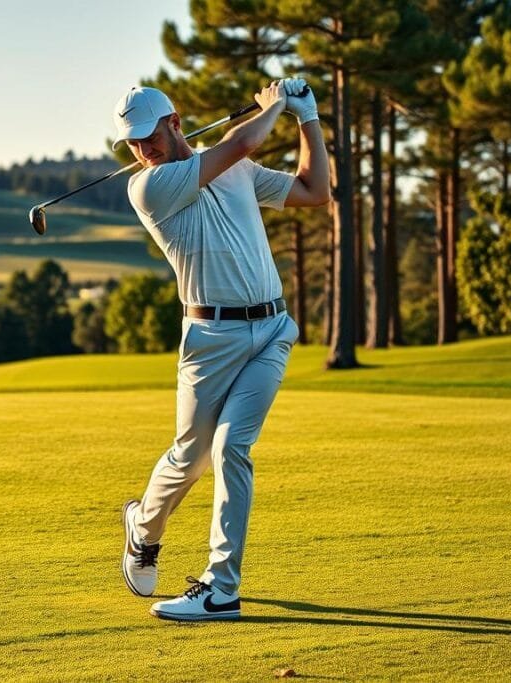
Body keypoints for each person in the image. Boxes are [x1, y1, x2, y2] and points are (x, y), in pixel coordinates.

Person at [114, 78, 330, 621]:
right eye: (133, 143)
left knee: (232, 448)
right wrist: (276, 103)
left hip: (270, 331)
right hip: (210, 341)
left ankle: (220, 588)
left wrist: (309, 119)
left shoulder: (233, 170)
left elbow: (313, 192)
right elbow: (241, 143)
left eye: (150, 135)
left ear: (175, 121)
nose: (144, 149)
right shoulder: (149, 188)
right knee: (190, 455)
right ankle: (143, 528)